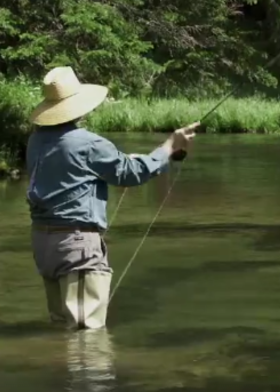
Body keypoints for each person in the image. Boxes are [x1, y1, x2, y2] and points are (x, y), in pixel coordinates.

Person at [26, 66, 200, 330]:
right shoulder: (88, 143)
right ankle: (86, 373)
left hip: (43, 244)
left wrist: (131, 158)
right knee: (86, 334)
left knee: (62, 326)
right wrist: (169, 147)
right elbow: (132, 174)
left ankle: (58, 370)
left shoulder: (36, 141)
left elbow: (76, 170)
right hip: (77, 247)